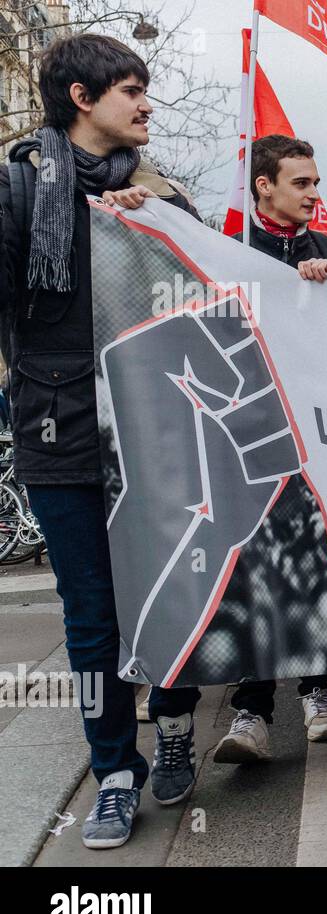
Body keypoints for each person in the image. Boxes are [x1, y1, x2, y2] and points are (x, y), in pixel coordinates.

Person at [0, 34, 202, 848]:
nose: (146, 104)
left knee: (171, 593)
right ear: (82, 99)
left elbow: (209, 298)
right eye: (130, 89)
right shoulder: (18, 191)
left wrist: (151, 230)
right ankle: (114, 770)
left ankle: (179, 724)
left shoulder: (160, 196)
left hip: (155, 425)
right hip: (57, 431)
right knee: (90, 613)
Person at [187, 134, 327, 765]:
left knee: (315, 563)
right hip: (254, 437)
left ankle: (319, 692)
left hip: (321, 439)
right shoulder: (227, 250)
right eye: (302, 183)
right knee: (255, 567)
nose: (316, 194)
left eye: (317, 182)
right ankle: (252, 710)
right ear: (264, 186)